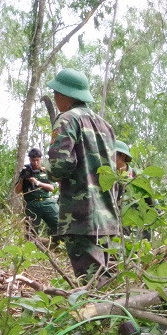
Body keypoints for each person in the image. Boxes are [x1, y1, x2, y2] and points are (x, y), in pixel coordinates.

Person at [44, 69, 119, 282]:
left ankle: (100, 316)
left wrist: (48, 171)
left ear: (63, 94)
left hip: (80, 216)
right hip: (107, 217)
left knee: (93, 284)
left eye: (56, 93)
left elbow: (60, 164)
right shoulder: (106, 126)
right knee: (112, 280)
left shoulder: (67, 119)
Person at [15, 146, 59, 239]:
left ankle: (54, 243)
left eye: (37, 160)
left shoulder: (45, 171)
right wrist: (22, 179)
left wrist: (37, 182)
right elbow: (17, 191)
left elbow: (52, 188)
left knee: (60, 225)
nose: (35, 163)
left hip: (47, 202)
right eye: (33, 160)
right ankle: (34, 248)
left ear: (40, 159)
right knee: (31, 234)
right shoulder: (25, 171)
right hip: (31, 204)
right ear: (29, 159)